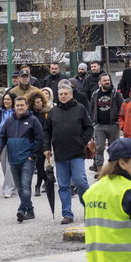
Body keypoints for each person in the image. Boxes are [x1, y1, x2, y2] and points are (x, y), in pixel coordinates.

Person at [44, 85, 93, 224]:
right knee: (63, 186)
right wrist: (46, 147)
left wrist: (82, 142)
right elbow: (47, 131)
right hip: (60, 154)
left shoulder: (80, 109)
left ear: (71, 94)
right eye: (61, 94)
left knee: (81, 182)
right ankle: (67, 214)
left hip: (77, 153)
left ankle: (89, 208)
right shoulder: (53, 111)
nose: (63, 96)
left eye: (66, 93)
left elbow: (89, 127)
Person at [0, 97, 44, 222]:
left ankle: (22, 208)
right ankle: (29, 210)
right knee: (20, 187)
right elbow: (2, 137)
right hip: (13, 159)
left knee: (25, 186)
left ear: (26, 106)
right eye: (18, 105)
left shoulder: (33, 120)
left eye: (22, 105)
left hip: (27, 159)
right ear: (14, 106)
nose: (20, 107)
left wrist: (33, 155)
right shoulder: (9, 121)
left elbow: (40, 139)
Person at [89, 74, 123, 174]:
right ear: (100, 83)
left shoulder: (116, 94)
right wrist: (93, 121)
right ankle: (100, 172)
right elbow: (91, 108)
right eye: (104, 80)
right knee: (99, 148)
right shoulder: (95, 94)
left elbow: (122, 107)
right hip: (99, 126)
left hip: (113, 125)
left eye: (108, 80)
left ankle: (114, 171)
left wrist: (118, 121)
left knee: (114, 149)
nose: (107, 82)